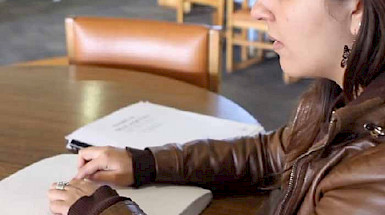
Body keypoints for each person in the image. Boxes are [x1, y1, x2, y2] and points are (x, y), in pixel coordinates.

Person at [48, 0, 385, 214]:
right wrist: (144, 163)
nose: (258, 10)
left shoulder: (375, 175)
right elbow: (272, 153)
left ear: (355, 9)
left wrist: (104, 210)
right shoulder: (344, 94)